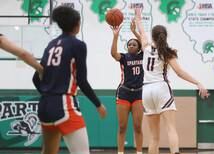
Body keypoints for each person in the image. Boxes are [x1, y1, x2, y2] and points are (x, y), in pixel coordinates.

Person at [32, 6, 107, 154]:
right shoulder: (77, 45)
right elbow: (81, 80)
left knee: (48, 152)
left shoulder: (51, 45)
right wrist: (98, 104)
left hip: (45, 106)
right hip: (64, 105)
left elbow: (35, 78)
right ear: (77, 24)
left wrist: (48, 94)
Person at [134, 8, 209, 154]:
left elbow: (141, 29)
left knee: (154, 137)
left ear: (152, 36)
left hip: (146, 91)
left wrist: (138, 16)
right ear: (165, 36)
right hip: (161, 88)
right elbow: (180, 73)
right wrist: (198, 83)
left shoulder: (146, 47)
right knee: (171, 129)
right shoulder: (167, 52)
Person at [110, 20, 143, 154]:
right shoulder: (124, 57)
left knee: (137, 126)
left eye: (134, 44)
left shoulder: (143, 55)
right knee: (122, 127)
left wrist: (135, 32)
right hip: (124, 93)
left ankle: (139, 151)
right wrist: (115, 36)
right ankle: (120, 152)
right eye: (129, 44)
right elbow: (113, 54)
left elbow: (145, 44)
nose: (131, 46)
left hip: (139, 94)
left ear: (139, 47)